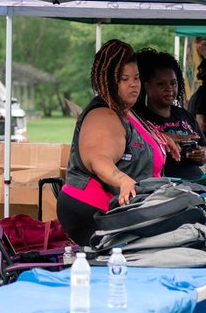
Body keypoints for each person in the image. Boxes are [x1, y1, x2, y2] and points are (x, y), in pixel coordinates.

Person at [57, 40, 170, 247]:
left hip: (114, 209)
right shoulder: (103, 114)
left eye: (136, 77)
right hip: (92, 210)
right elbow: (99, 159)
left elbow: (135, 138)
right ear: (108, 81)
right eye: (124, 79)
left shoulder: (123, 108)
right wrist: (123, 180)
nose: (133, 84)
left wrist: (165, 140)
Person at [132, 49, 206, 180]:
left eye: (173, 83)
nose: (169, 88)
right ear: (147, 86)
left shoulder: (184, 115)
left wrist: (202, 154)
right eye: (161, 84)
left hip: (197, 183)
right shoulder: (139, 117)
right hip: (165, 186)